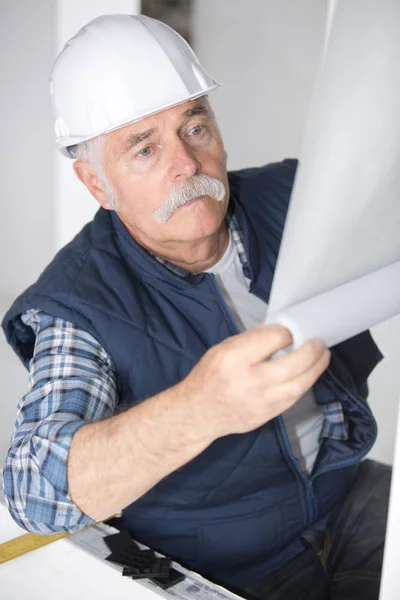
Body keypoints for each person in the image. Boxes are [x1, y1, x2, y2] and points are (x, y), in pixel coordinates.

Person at [1, 14, 391, 600]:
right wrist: (201, 407)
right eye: (144, 149)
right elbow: (33, 490)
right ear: (96, 184)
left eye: (195, 127)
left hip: (346, 495)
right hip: (229, 567)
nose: (185, 164)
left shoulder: (293, 198)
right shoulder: (79, 304)